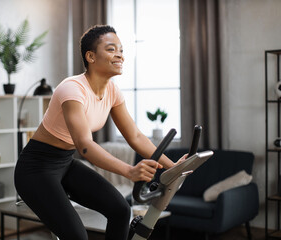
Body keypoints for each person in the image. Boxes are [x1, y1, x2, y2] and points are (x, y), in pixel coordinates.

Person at [14, 25, 185, 240]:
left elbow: (136, 137)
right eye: (112, 49)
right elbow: (85, 145)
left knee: (121, 211)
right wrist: (130, 171)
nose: (120, 55)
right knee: (77, 236)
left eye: (121, 50)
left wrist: (175, 167)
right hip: (35, 169)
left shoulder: (112, 91)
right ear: (91, 56)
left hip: (65, 163)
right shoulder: (72, 89)